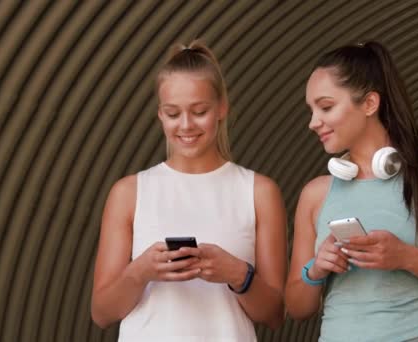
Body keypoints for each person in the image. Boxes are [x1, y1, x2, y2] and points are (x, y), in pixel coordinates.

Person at [285, 41, 418, 342]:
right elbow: (296, 307)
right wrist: (316, 269)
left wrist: (407, 257)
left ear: (370, 103)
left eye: (326, 107)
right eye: (312, 110)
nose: (313, 122)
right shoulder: (314, 194)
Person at [91, 41, 287, 341]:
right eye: (172, 113)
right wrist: (139, 272)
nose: (185, 125)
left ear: (222, 107)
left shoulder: (259, 192)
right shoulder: (129, 193)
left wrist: (237, 274)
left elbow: (274, 314)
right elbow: (102, 312)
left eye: (199, 111)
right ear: (160, 114)